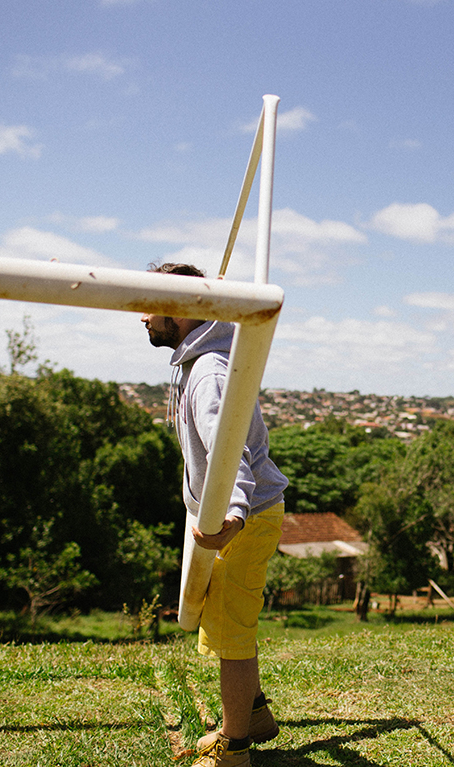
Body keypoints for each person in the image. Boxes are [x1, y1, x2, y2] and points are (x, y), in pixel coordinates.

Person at [142, 262, 289, 767]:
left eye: (151, 305)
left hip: (243, 520)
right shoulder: (197, 361)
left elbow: (233, 451)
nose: (142, 318)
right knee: (226, 624)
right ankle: (257, 716)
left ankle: (234, 747)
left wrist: (233, 513)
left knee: (231, 639)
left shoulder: (208, 372)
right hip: (237, 516)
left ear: (181, 311)